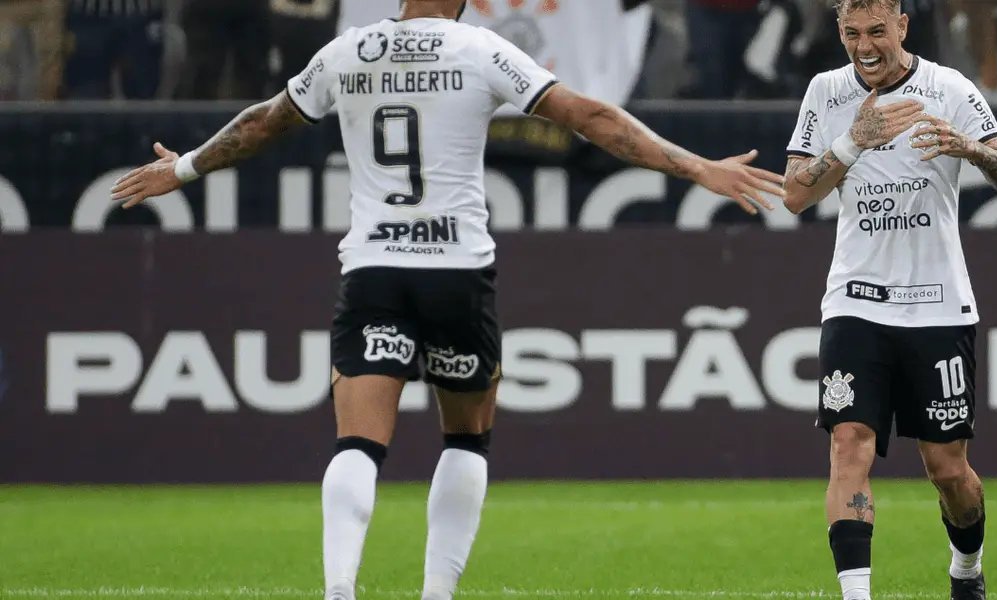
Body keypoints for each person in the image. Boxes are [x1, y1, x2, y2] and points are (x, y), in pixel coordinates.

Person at [108, 2, 784, 599]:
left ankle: (339, 590)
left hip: (375, 267)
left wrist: (185, 166)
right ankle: (436, 594)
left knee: (357, 443)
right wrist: (699, 167)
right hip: (456, 270)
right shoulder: (480, 49)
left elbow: (264, 122)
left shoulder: (350, 50)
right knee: (466, 437)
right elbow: (591, 117)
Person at [780, 1, 997, 599]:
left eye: (875, 31)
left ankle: (966, 569)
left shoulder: (949, 88)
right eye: (851, 33)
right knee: (849, 446)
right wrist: (851, 143)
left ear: (902, 26)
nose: (864, 46)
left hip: (937, 306)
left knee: (949, 471)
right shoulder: (826, 91)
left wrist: (969, 149)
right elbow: (794, 194)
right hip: (856, 303)